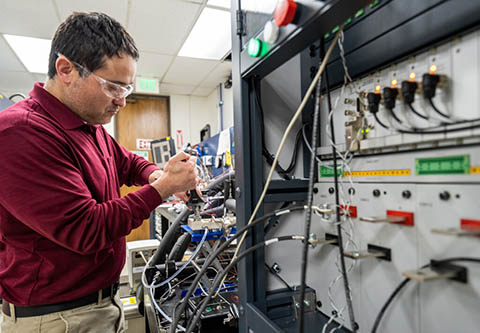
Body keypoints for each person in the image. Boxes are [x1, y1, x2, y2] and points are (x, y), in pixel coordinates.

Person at [0, 12, 198, 333]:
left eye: (127, 89)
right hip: (55, 320)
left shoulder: (87, 125)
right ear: (66, 70)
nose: (121, 101)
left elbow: (126, 162)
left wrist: (156, 176)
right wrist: (162, 189)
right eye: (113, 87)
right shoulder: (20, 132)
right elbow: (86, 229)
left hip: (98, 306)